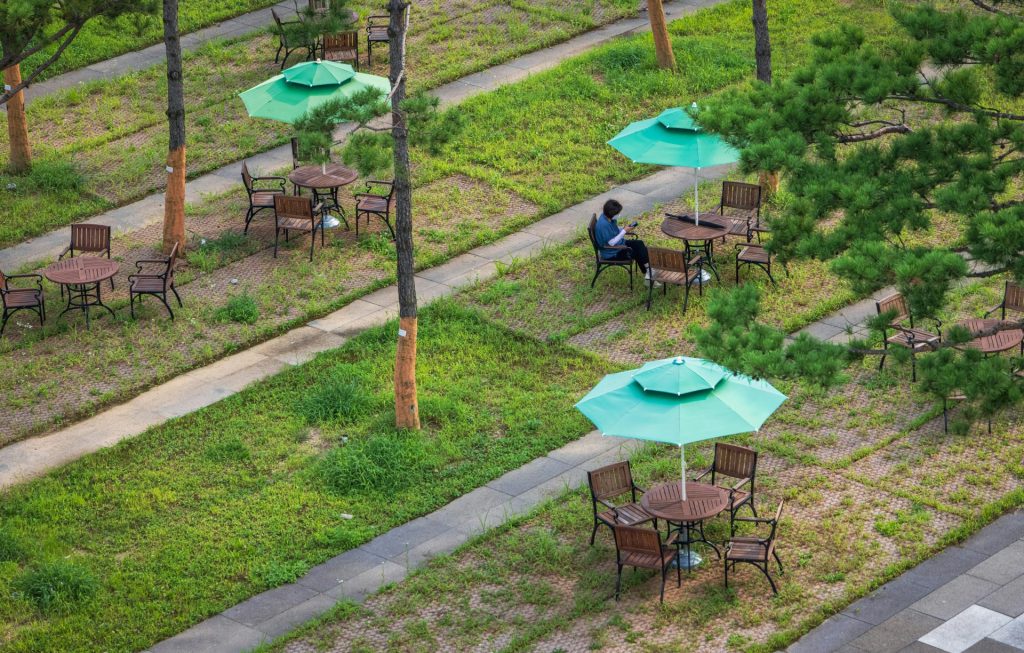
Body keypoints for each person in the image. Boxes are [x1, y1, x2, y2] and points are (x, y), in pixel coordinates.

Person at [594, 199, 652, 280]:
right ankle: (649, 272)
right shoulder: (603, 225)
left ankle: (648, 271)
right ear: (611, 213)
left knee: (639, 244)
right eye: (617, 213)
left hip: (620, 244)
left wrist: (624, 229)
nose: (619, 215)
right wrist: (624, 231)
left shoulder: (607, 217)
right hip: (612, 252)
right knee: (638, 252)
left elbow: (613, 230)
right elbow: (611, 243)